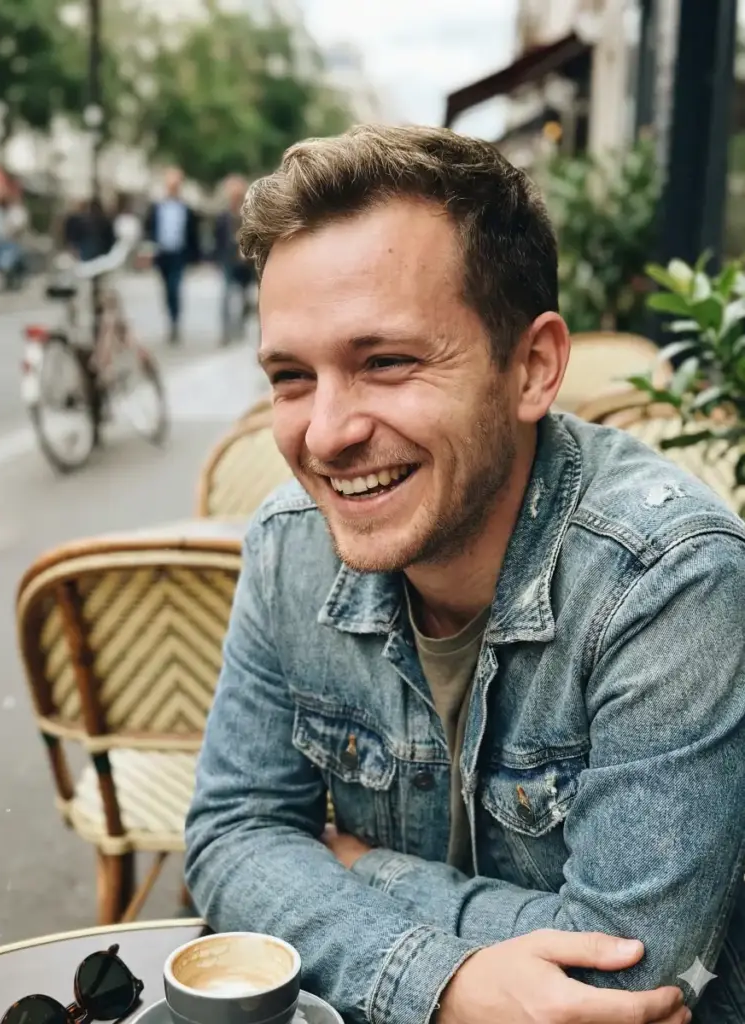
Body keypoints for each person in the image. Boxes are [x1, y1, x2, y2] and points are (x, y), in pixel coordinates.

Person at [185, 126, 745, 1024]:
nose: (324, 433)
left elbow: (624, 986)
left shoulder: (667, 578)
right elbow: (231, 833)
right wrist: (442, 986)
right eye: (291, 376)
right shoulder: (288, 544)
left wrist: (353, 864)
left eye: (387, 362)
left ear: (531, 368)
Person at [144, 167, 200, 343]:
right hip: (162, 254)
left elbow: (193, 234)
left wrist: (195, 256)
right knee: (166, 289)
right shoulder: (157, 208)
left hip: (179, 254)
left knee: (175, 288)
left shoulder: (186, 209)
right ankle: (170, 317)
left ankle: (175, 322)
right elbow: (149, 230)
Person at [214, 174, 255, 345]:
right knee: (226, 296)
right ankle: (225, 332)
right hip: (228, 261)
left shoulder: (250, 214)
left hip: (246, 263)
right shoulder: (223, 216)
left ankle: (241, 323)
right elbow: (218, 239)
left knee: (247, 298)